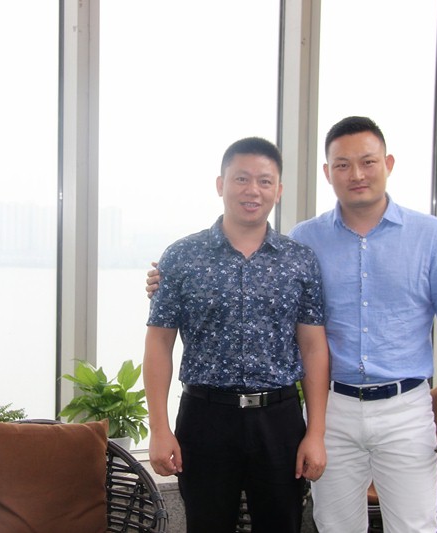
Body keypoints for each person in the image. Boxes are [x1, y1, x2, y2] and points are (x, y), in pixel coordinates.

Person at [146, 117, 437, 533]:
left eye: (367, 162)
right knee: (334, 525)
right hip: (327, 408)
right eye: (342, 165)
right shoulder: (303, 241)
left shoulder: (426, 237)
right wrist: (164, 280)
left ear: (388, 164)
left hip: (401, 408)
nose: (356, 174)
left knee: (414, 526)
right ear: (328, 173)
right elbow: (177, 330)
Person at [144, 136, 329, 533]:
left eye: (265, 181)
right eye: (241, 179)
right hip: (205, 419)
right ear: (220, 184)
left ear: (278, 190)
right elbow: (159, 343)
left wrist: (315, 432)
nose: (252, 190)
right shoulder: (182, 257)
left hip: (279, 420)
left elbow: (313, 347)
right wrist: (159, 429)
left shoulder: (299, 261)